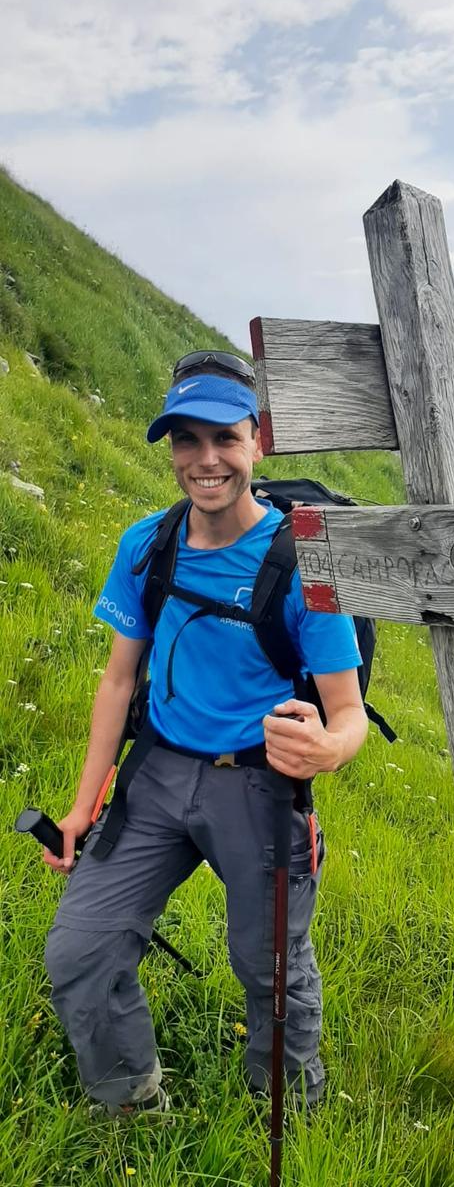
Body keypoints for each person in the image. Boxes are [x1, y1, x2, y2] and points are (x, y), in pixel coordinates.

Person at [43, 350, 368, 1117]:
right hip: (155, 777)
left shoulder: (305, 559)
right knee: (80, 952)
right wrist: (84, 805)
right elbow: (119, 681)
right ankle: (130, 1105)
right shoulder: (147, 544)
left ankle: (288, 1105)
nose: (206, 459)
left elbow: (346, 713)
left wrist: (328, 748)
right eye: (185, 440)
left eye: (224, 437)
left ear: (257, 440)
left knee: (270, 971)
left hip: (258, 787)